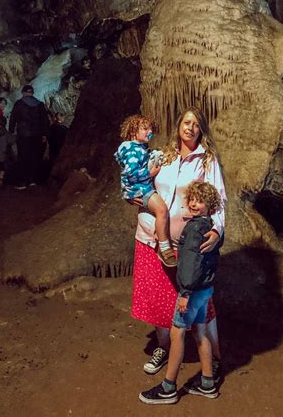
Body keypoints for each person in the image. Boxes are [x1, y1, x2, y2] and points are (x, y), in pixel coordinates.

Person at [132, 106, 226, 381]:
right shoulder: (164, 155)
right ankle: (164, 347)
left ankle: (215, 357)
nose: (190, 128)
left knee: (199, 304)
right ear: (178, 126)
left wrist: (217, 230)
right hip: (151, 237)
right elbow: (140, 181)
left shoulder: (207, 161)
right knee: (160, 298)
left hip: (188, 244)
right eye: (186, 122)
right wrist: (132, 196)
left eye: (196, 124)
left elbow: (219, 199)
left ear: (201, 130)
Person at [140, 181, 223, 404]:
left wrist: (185, 293)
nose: (194, 204)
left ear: (210, 204)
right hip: (205, 289)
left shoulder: (195, 229)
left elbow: (191, 264)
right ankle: (207, 383)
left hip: (191, 291)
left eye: (200, 201)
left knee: (177, 335)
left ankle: (168, 387)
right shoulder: (210, 227)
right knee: (201, 332)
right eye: (192, 200)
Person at [114, 114, 176, 268]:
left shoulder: (139, 148)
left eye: (150, 129)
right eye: (145, 129)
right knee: (162, 210)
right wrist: (150, 173)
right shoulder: (131, 150)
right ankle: (164, 248)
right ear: (133, 131)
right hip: (141, 189)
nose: (150, 132)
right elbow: (131, 173)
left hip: (141, 188)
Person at [9, 84, 50, 189]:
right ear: (32, 93)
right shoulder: (40, 104)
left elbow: (13, 118)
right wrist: (45, 134)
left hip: (23, 135)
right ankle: (33, 180)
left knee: (23, 157)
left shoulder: (19, 104)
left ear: (23, 92)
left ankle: (22, 182)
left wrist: (11, 131)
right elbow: (45, 120)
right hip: (37, 135)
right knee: (34, 157)